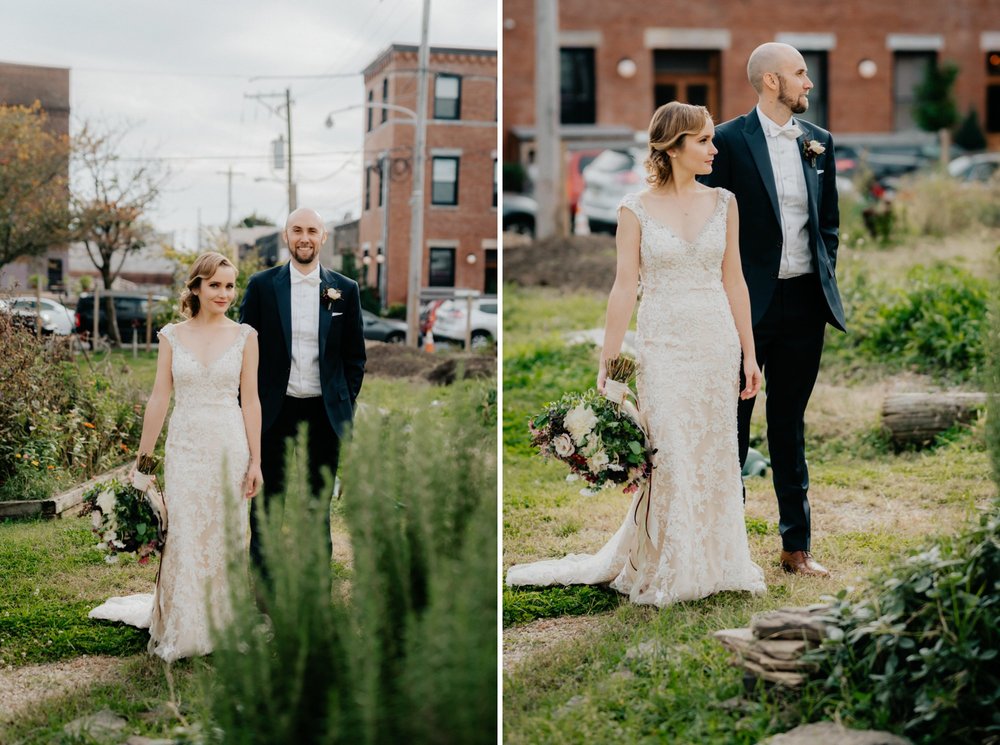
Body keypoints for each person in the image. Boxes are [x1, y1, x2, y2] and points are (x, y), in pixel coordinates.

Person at [506, 102, 766, 605]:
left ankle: (717, 561)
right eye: (704, 141)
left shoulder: (726, 203)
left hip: (716, 343)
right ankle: (667, 563)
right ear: (673, 147)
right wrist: (612, 367)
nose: (715, 149)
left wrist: (750, 355)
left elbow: (734, 279)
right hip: (664, 346)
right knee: (668, 453)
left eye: (713, 140)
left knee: (712, 452)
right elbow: (624, 289)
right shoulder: (635, 209)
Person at [701, 42, 845, 577]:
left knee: (789, 423)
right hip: (744, 306)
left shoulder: (819, 142)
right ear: (769, 82)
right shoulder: (727, 141)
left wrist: (822, 268)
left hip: (806, 304)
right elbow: (710, 225)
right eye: (799, 74)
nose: (808, 83)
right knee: (733, 426)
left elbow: (827, 223)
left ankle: (796, 547)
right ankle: (726, 551)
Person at [90, 252, 263, 662]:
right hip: (185, 446)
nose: (224, 293)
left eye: (230, 285)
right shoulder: (171, 335)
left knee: (225, 531)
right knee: (184, 530)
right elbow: (159, 397)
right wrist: (143, 461)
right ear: (197, 287)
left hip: (229, 444)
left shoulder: (245, 336)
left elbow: (251, 400)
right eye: (215, 284)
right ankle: (182, 625)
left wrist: (256, 460)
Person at [239, 207, 366, 572]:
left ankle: (313, 599)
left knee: (316, 505)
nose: (305, 237)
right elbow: (244, 352)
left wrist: (343, 400)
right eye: (297, 230)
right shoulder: (262, 286)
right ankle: (265, 601)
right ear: (286, 236)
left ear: (323, 237)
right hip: (274, 413)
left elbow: (354, 357)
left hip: (323, 414)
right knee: (267, 505)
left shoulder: (346, 289)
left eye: (312, 230)